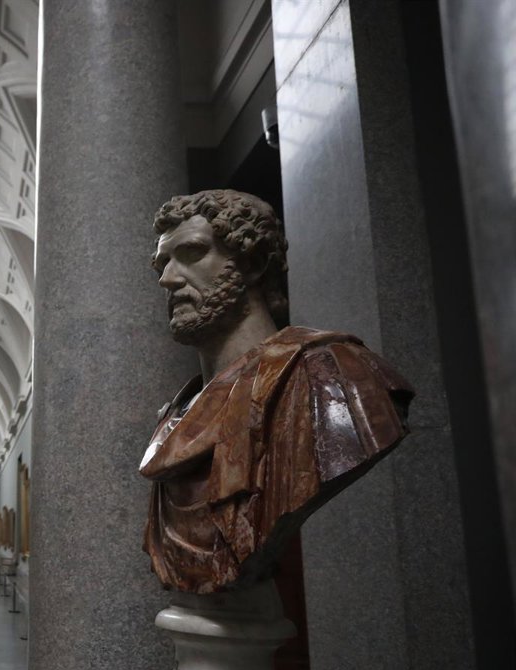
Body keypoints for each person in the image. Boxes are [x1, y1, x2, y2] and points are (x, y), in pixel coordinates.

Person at [140, 190, 413, 594]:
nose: (168, 278)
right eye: (162, 263)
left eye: (192, 253)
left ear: (253, 263)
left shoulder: (332, 380)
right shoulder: (177, 414)